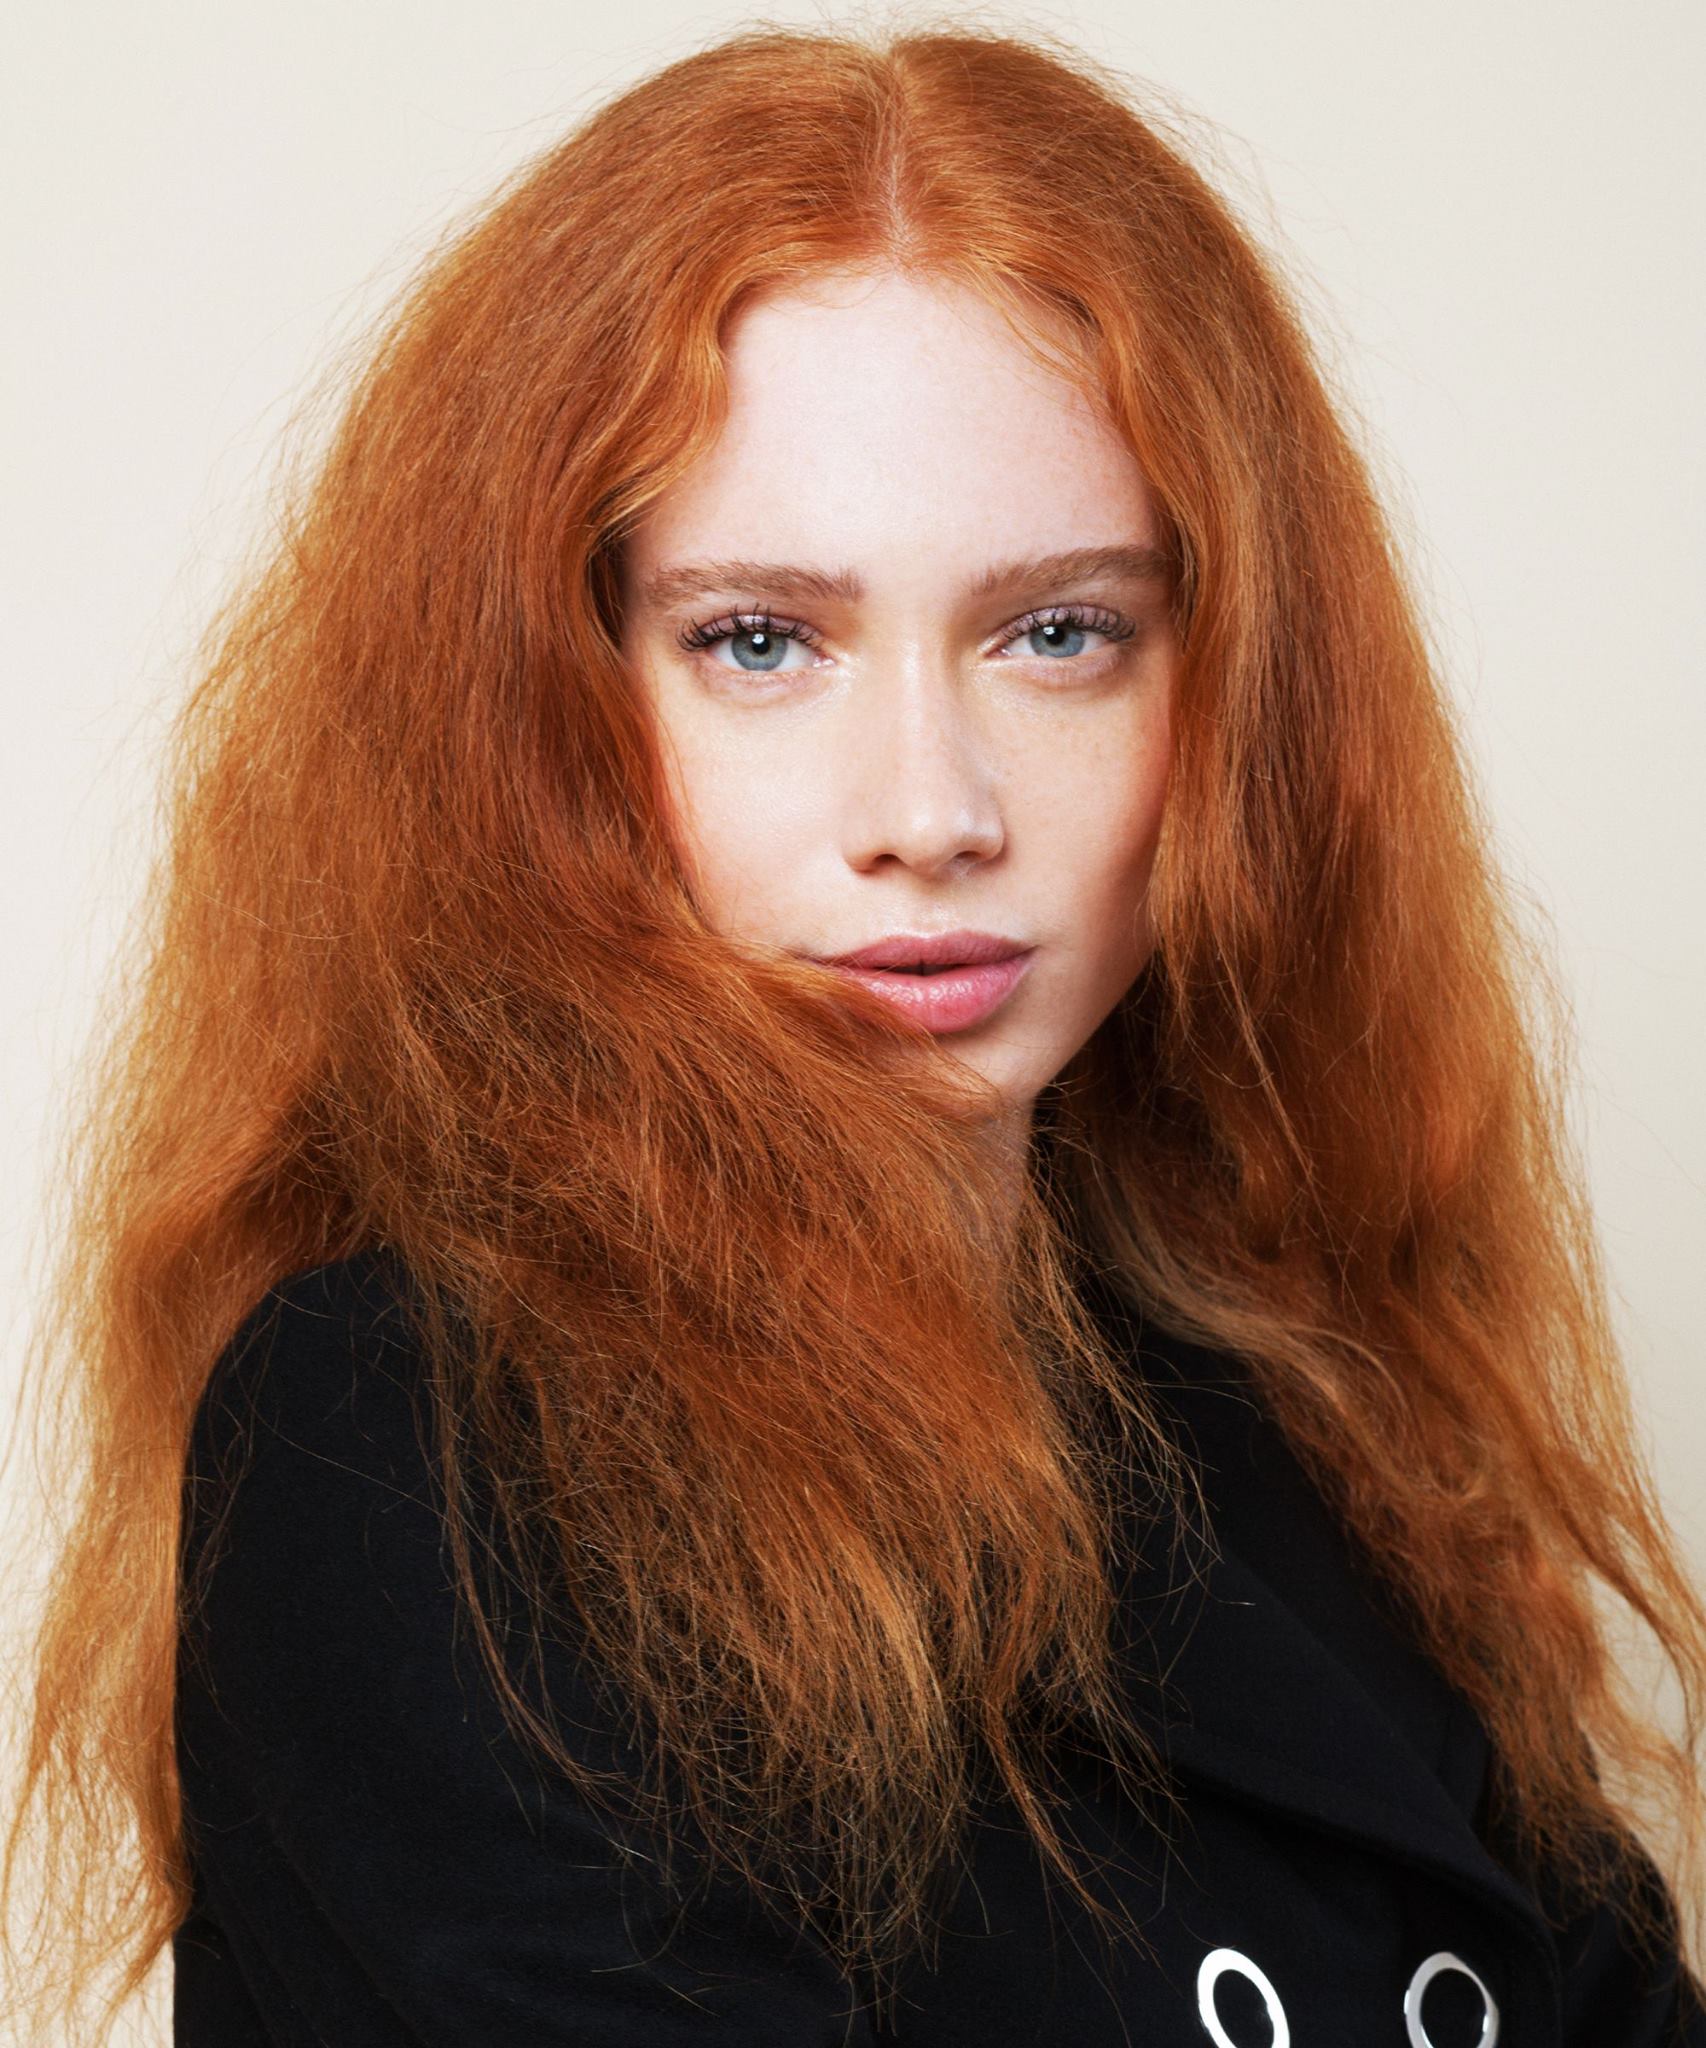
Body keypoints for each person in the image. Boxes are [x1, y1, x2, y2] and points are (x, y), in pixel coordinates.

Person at [4, 20, 1703, 2045]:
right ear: (552, 707)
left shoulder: (1304, 1406)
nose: (931, 807)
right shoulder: (411, 1432)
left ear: (1230, 685)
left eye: (1059, 630)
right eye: (760, 641)